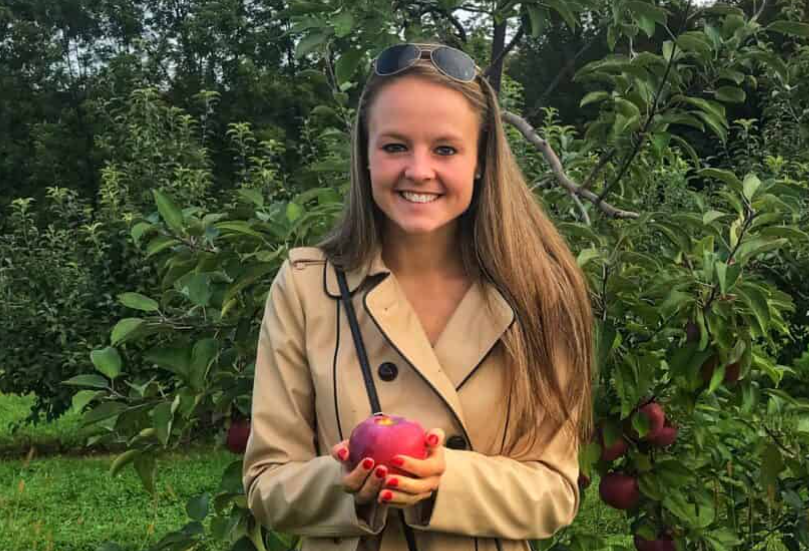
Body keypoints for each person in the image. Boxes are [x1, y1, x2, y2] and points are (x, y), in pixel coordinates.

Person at [243, 42, 595, 551]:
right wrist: (348, 484)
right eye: (395, 147)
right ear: (366, 156)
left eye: (445, 149)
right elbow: (267, 483)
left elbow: (555, 492)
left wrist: (446, 478)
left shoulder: (539, 294)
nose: (419, 170)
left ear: (481, 161)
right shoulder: (306, 287)